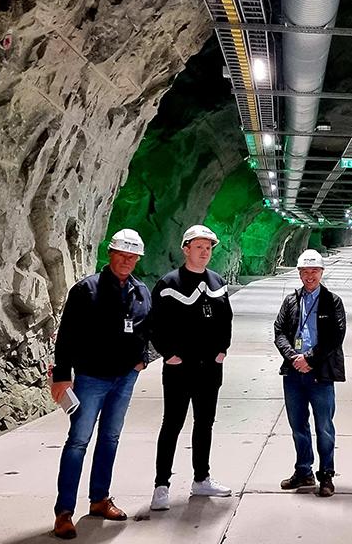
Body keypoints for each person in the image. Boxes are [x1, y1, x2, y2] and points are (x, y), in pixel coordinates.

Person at [50, 228, 151, 540]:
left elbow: (148, 329)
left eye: (132, 256)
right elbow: (66, 335)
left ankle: (99, 499)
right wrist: (62, 376)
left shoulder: (140, 291)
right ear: (111, 254)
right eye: (121, 254)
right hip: (92, 377)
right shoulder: (86, 290)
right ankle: (64, 513)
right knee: (78, 441)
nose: (126, 260)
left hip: (125, 378)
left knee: (110, 439)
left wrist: (144, 358)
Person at [150, 224, 233, 511]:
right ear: (186, 249)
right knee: (171, 424)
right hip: (178, 369)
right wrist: (168, 354)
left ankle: (201, 478)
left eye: (208, 248)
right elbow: (155, 324)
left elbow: (226, 321)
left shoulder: (217, 282)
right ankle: (161, 485)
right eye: (199, 247)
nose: (205, 252)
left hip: (210, 369)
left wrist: (223, 350)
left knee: (204, 424)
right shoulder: (169, 284)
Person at [274, 249, 346, 497]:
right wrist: (293, 357)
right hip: (294, 373)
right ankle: (303, 471)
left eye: (314, 271)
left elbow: (335, 337)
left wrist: (310, 359)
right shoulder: (291, 301)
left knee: (324, 426)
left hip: (320, 373)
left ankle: (326, 474)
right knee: (298, 425)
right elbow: (279, 331)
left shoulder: (332, 301)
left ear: (321, 272)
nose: (310, 276)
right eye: (305, 271)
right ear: (299, 273)